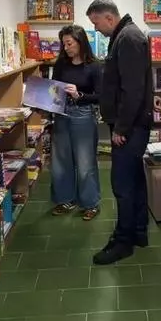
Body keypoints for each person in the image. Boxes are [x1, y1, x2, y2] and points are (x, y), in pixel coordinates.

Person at [86, 0, 153, 265]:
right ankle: (138, 232)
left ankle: (123, 241)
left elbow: (132, 88)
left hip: (130, 127)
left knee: (122, 184)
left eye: (97, 23)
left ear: (109, 18)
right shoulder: (126, 35)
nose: (97, 29)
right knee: (134, 180)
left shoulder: (128, 38)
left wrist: (121, 128)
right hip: (131, 125)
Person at [50, 25, 103, 221]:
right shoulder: (61, 64)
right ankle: (65, 200)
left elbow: (100, 96)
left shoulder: (94, 66)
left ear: (81, 43)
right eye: (63, 44)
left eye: (69, 43)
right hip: (62, 113)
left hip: (83, 114)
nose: (66, 48)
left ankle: (90, 203)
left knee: (85, 161)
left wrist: (78, 94)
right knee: (60, 161)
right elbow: (53, 88)